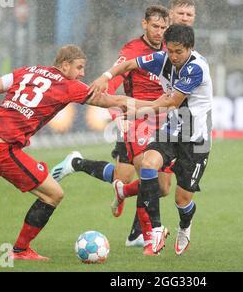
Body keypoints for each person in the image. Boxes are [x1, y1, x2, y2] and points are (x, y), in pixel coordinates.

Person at [0, 45, 129, 260]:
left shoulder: (27, 71)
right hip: (0, 146)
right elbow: (114, 101)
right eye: (79, 67)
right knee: (53, 194)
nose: (82, 73)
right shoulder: (69, 85)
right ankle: (20, 250)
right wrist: (160, 105)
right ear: (64, 65)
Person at [50, 6, 172, 254]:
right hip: (135, 119)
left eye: (163, 28)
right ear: (144, 24)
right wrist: (113, 107)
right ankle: (143, 235)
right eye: (155, 27)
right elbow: (113, 80)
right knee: (148, 177)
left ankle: (78, 164)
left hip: (162, 120)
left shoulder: (170, 49)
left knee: (156, 186)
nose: (159, 32)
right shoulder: (131, 51)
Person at [91, 24, 213, 256]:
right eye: (170, 51)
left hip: (195, 139)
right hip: (170, 131)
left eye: (179, 52)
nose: (174, 57)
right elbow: (127, 64)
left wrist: (138, 110)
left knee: (182, 199)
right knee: (148, 164)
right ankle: (155, 229)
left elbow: (171, 102)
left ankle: (184, 226)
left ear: (191, 48)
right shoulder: (162, 58)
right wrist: (105, 77)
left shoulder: (197, 68)